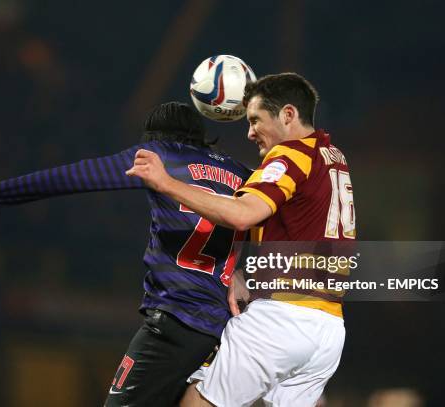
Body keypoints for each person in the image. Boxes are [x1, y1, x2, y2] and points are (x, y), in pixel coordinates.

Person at [0, 101, 252, 406]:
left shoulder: (160, 155)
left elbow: (73, 177)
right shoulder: (244, 173)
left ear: (156, 136)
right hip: (220, 332)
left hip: (175, 324)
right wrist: (239, 271)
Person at [126, 73, 356, 406]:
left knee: (197, 401)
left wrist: (166, 183)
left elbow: (241, 213)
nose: (249, 133)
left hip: (282, 319)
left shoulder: (290, 156)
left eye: (255, 120)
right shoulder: (332, 156)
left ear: (288, 115)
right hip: (329, 327)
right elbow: (290, 222)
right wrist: (235, 268)